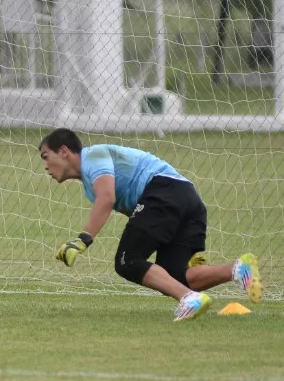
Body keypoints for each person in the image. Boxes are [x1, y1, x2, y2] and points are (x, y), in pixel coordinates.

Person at [38, 128, 262, 321]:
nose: (45, 166)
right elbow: (132, 212)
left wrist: (83, 239)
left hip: (163, 193)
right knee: (173, 275)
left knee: (127, 261)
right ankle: (237, 269)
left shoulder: (93, 156)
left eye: (46, 156)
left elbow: (106, 199)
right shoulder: (89, 184)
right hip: (186, 199)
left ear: (64, 151)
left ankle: (189, 298)